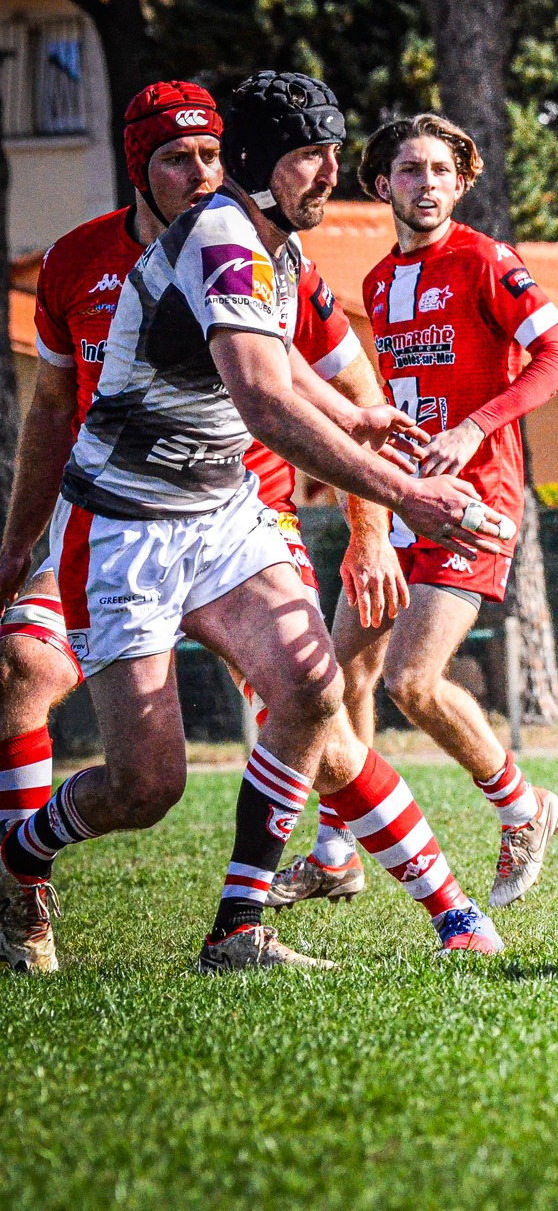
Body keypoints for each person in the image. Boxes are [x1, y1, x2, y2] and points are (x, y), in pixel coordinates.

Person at [0, 72, 506, 973]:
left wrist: (355, 415)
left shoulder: (275, 241)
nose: (331, 174)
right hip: (125, 524)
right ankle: (18, 857)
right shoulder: (223, 239)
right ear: (258, 162)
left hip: (220, 510)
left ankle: (238, 929)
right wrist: (404, 496)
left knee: (312, 692)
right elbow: (265, 404)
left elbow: (280, 358)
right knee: (145, 787)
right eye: (311, 155)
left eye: (334, 153)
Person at [271, 114, 558, 911]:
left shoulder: (487, 261)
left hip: (475, 505)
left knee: (410, 678)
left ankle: (523, 807)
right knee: (335, 683)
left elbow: (557, 354)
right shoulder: (375, 283)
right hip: (396, 503)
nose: (427, 183)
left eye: (441, 170)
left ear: (461, 182)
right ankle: (339, 849)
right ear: (381, 186)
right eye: (410, 171)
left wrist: (474, 426)